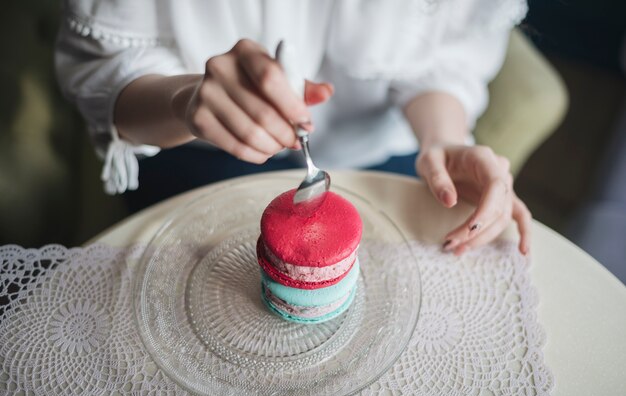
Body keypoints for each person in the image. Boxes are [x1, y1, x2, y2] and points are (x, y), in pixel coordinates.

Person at [55, 0, 531, 255]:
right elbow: (107, 68)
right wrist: (186, 100)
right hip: (191, 156)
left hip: (382, 153)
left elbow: (442, 59)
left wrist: (444, 138)